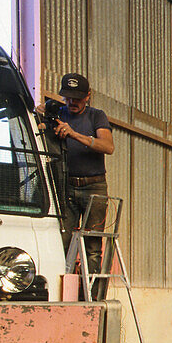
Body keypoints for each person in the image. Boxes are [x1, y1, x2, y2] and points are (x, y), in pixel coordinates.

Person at [53, 73, 114, 280]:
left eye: (77, 98)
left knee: (92, 245)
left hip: (94, 187)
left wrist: (74, 134)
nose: (72, 102)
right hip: (66, 187)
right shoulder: (57, 113)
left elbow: (108, 146)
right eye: (68, 97)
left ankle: (93, 296)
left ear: (88, 96)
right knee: (63, 240)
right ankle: (62, 292)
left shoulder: (97, 116)